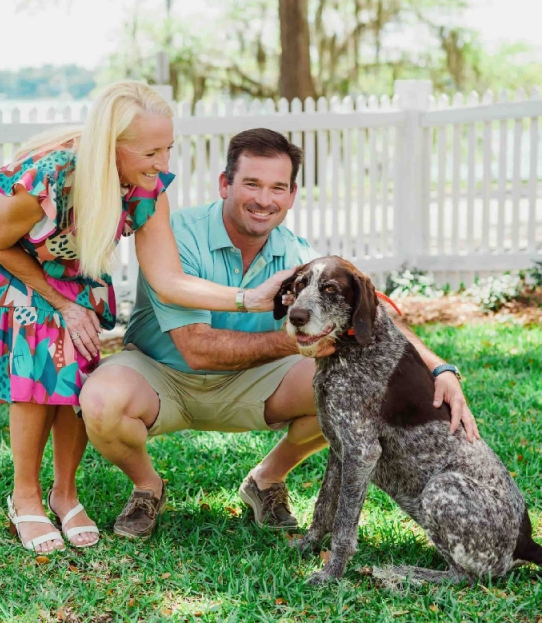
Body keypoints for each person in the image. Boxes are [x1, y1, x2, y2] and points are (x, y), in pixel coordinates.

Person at [79, 128, 479, 540]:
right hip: (160, 375)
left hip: (253, 382)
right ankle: (148, 486)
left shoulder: (298, 255)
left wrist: (439, 369)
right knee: (101, 400)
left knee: (351, 389)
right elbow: (197, 349)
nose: (264, 200)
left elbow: (372, 316)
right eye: (251, 184)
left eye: (277, 188)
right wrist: (290, 342)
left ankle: (266, 479)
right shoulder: (176, 235)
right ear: (224, 184)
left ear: (291, 195)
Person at [0, 85, 289, 554]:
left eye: (168, 148)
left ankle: (64, 494)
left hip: (64, 257)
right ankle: (24, 496)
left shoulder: (148, 187)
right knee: (43, 356)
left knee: (80, 357)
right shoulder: (52, 177)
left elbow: (168, 280)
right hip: (4, 258)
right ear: (112, 148)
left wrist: (252, 298)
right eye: (150, 151)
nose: (164, 163)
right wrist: (62, 304)